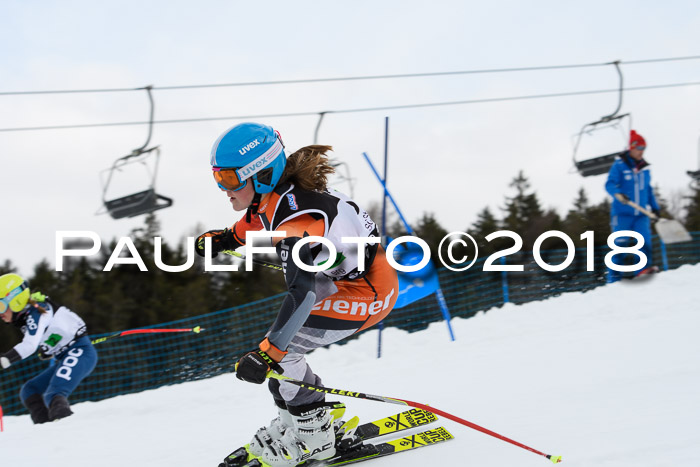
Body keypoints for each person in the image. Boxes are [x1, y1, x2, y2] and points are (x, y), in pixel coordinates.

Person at [196, 122, 398, 466]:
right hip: (347, 278)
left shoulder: (298, 222)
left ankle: (315, 437)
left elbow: (302, 295)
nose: (222, 188)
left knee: (279, 351)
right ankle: (298, 422)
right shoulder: (277, 198)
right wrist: (227, 238)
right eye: (217, 178)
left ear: (259, 176)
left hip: (370, 291)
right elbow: (256, 219)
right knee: (277, 352)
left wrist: (269, 353)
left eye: (229, 179)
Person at [0, 273, 98, 423]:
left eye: (0, 305)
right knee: (29, 390)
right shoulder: (30, 314)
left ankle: (68, 430)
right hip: (67, 355)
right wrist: (48, 348)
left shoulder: (37, 312)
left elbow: (29, 345)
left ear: (15, 301)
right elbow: (57, 329)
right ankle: (45, 429)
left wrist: (5, 359)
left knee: (54, 394)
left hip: (80, 352)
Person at [604, 130, 661, 282]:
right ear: (632, 147)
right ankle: (614, 279)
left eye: (644, 149)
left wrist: (655, 208)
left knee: (644, 242)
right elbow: (610, 184)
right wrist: (617, 194)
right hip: (622, 214)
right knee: (620, 246)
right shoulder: (619, 166)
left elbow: (648, 190)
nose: (642, 152)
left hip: (641, 215)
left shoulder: (644, 169)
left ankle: (642, 270)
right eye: (639, 148)